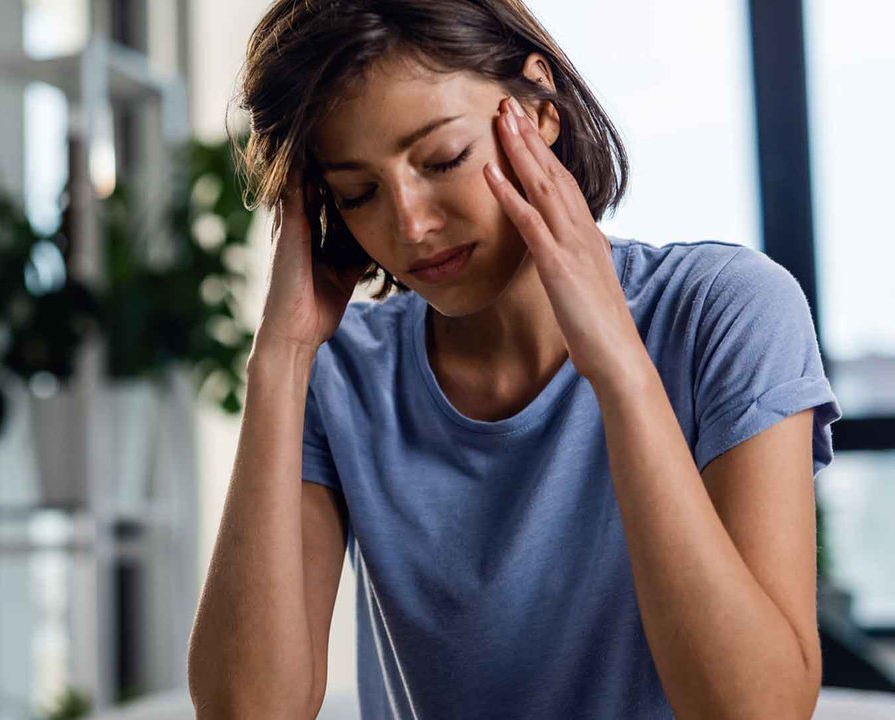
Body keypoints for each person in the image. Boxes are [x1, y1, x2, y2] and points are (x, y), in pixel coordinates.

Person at [186, 1, 842, 718]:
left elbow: (759, 711)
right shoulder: (342, 377)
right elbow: (247, 712)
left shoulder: (727, 313)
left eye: (443, 159)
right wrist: (279, 359)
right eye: (358, 193)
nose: (411, 225)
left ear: (537, 106)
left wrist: (619, 366)